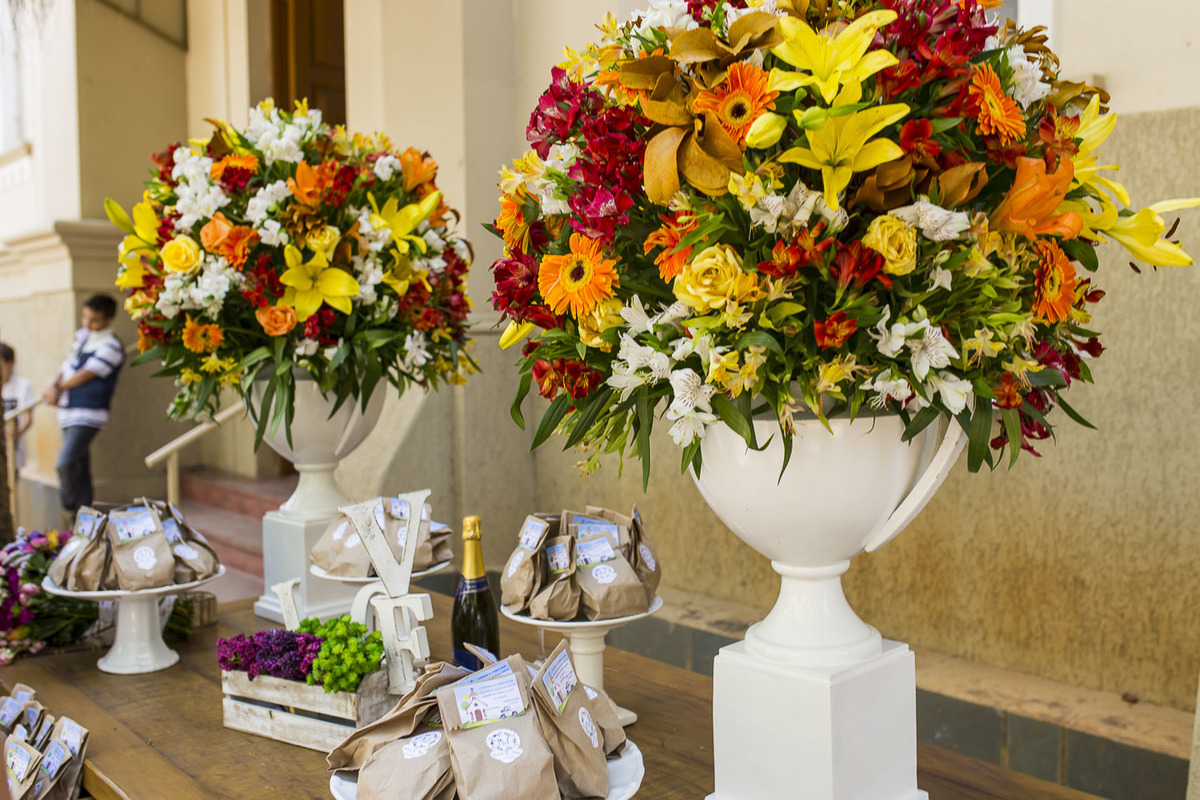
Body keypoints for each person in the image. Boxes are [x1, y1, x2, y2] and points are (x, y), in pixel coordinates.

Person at [42, 295, 124, 520]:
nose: (87, 323)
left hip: (89, 413)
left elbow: (87, 373)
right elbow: (66, 366)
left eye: (94, 320)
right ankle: (85, 515)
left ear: (108, 320)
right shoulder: (82, 340)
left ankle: (71, 510)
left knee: (65, 463)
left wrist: (58, 388)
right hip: (68, 411)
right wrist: (53, 384)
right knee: (79, 466)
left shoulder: (112, 345)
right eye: (85, 317)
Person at [1, 343, 35, 475]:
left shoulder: (22, 385)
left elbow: (27, 416)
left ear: (9, 363)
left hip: (12, 450)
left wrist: (18, 431)